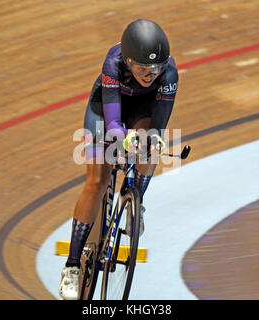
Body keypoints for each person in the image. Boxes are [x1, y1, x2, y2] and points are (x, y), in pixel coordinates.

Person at [59, 19, 179, 300]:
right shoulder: (112, 63)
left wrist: (152, 140)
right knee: (96, 181)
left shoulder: (169, 74)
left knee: (150, 145)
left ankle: (134, 200)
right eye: (141, 68)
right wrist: (122, 137)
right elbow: (113, 124)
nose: (150, 75)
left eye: (155, 68)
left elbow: (158, 127)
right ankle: (72, 265)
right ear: (127, 61)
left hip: (142, 110)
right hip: (106, 110)